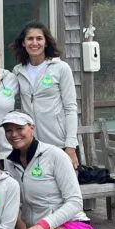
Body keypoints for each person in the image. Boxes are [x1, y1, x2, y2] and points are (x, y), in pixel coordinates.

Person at [12, 22, 79, 169]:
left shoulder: (61, 68)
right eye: (30, 39)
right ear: (23, 43)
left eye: (39, 38)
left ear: (46, 42)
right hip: (31, 145)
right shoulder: (18, 71)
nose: (34, 43)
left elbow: (71, 108)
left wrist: (71, 145)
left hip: (59, 143)